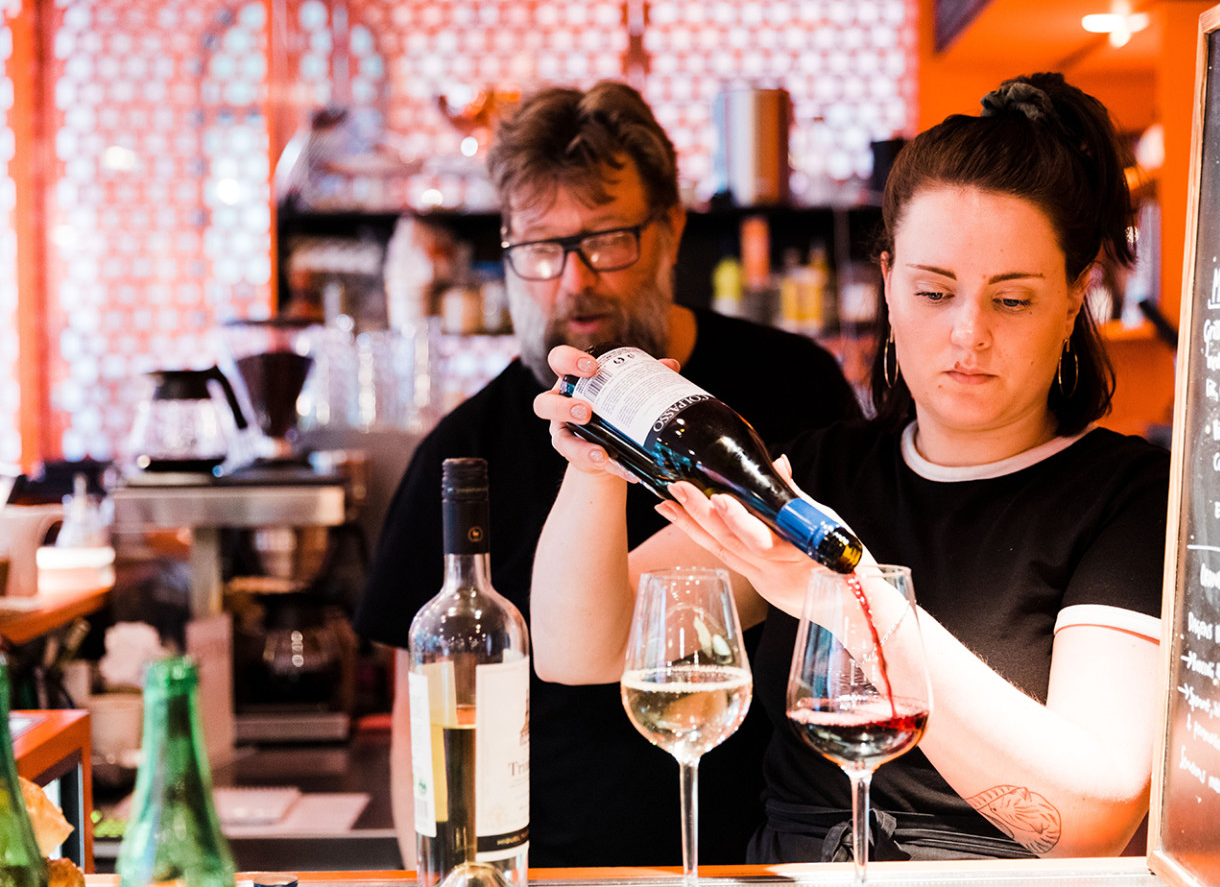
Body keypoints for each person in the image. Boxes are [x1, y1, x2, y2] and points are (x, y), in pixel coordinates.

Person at [530, 72, 1170, 862]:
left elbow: (1091, 822)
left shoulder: (1126, 498)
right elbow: (578, 650)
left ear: (1076, 298)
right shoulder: (822, 473)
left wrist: (850, 596)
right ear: (889, 283)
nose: (968, 334)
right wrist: (594, 469)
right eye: (935, 292)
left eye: (1011, 301)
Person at [352, 81, 860, 868]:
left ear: (670, 231)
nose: (574, 278)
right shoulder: (464, 452)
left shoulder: (794, 389)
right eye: (541, 247)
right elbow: (421, 716)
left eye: (607, 238)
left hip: (762, 863)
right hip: (546, 870)